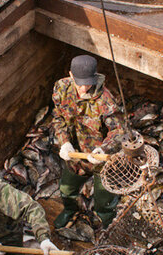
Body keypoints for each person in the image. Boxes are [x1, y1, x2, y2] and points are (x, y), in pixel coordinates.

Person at [52, 55, 123, 229]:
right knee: (67, 189)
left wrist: (103, 149)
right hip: (76, 154)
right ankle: (70, 210)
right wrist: (64, 142)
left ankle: (106, 225)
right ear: (70, 74)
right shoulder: (61, 88)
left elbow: (119, 131)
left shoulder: (106, 100)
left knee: (104, 200)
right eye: (80, 83)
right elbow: (58, 117)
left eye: (88, 82)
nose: (84, 88)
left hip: (102, 159)